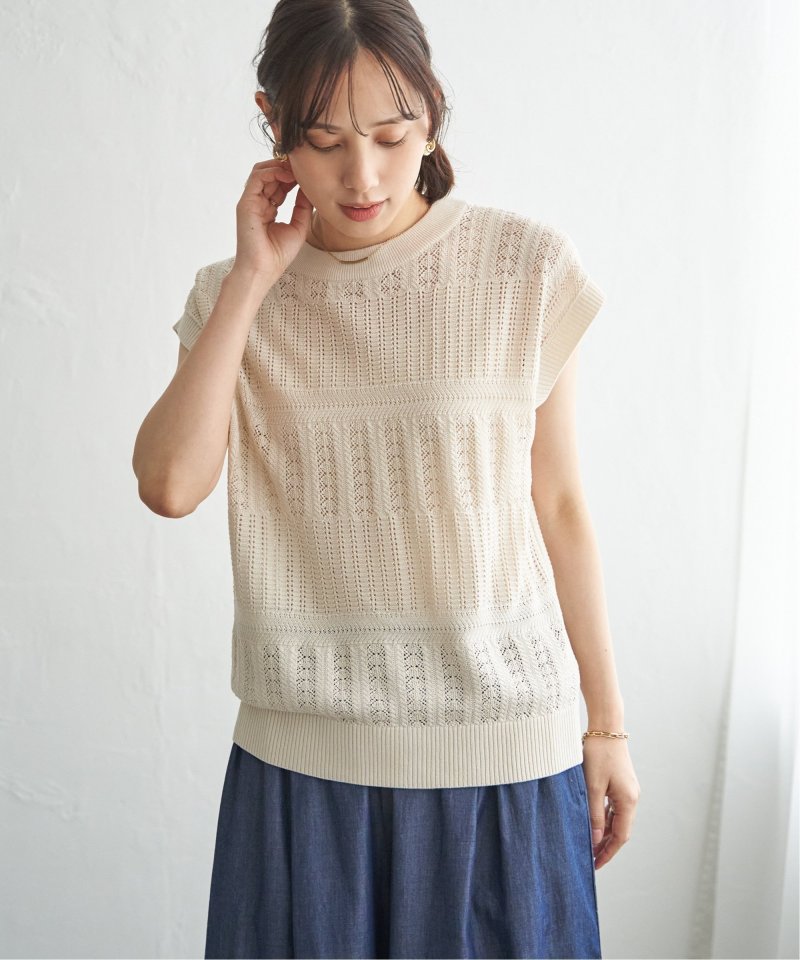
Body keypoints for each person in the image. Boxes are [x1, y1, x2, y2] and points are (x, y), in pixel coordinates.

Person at [132, 0, 641, 957]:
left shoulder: (522, 268)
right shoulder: (232, 296)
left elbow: (561, 504)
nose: (360, 176)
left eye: (390, 136)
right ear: (274, 125)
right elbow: (169, 485)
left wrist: (606, 726)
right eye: (324, 142)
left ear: (432, 114)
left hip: (503, 758)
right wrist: (249, 281)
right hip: (302, 769)